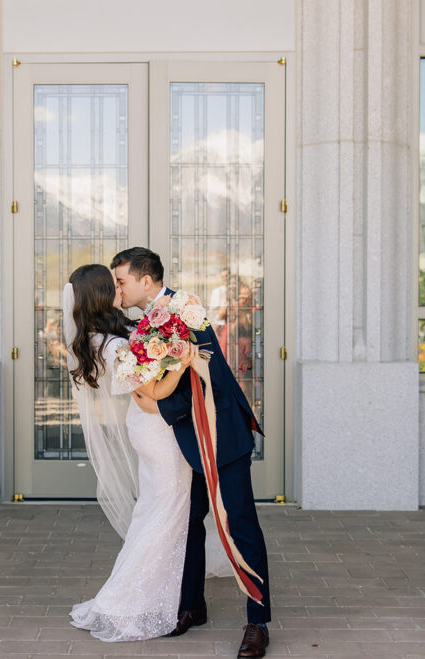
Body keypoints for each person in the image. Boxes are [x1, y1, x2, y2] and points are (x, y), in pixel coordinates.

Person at [112, 247, 272, 659]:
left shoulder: (186, 309)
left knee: (240, 525)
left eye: (121, 281)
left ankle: (258, 621)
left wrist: (157, 405)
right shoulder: (146, 324)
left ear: (145, 281)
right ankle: (190, 606)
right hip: (186, 442)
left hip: (221, 435)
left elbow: (209, 374)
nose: (118, 289)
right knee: (189, 523)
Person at [63, 263, 197, 641]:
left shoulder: (103, 337)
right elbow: (152, 395)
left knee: (154, 511)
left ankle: (152, 592)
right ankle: (130, 601)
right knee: (166, 513)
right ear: (103, 294)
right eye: (115, 284)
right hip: (157, 430)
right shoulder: (116, 345)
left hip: (148, 431)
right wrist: (181, 364)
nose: (121, 289)